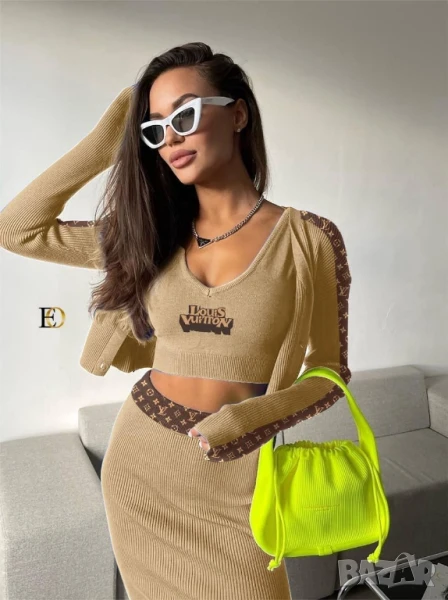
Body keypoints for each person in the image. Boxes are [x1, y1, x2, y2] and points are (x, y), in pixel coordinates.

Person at [0, 41, 352, 600]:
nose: (170, 138)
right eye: (154, 129)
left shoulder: (309, 240)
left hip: (239, 480)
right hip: (140, 465)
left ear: (238, 114)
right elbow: (17, 228)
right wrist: (106, 140)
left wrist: (247, 419)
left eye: (184, 116)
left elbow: (330, 372)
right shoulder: (146, 235)